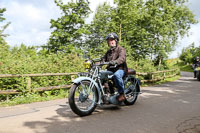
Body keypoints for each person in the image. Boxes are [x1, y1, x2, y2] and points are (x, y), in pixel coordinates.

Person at [101, 32, 128, 102]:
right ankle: (106, 92)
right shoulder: (108, 52)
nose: (110, 42)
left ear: (116, 40)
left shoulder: (121, 49)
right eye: (109, 40)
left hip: (120, 68)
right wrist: (95, 63)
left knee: (116, 75)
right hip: (111, 69)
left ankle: (122, 94)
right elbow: (103, 59)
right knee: (101, 75)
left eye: (112, 40)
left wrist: (115, 61)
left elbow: (122, 58)